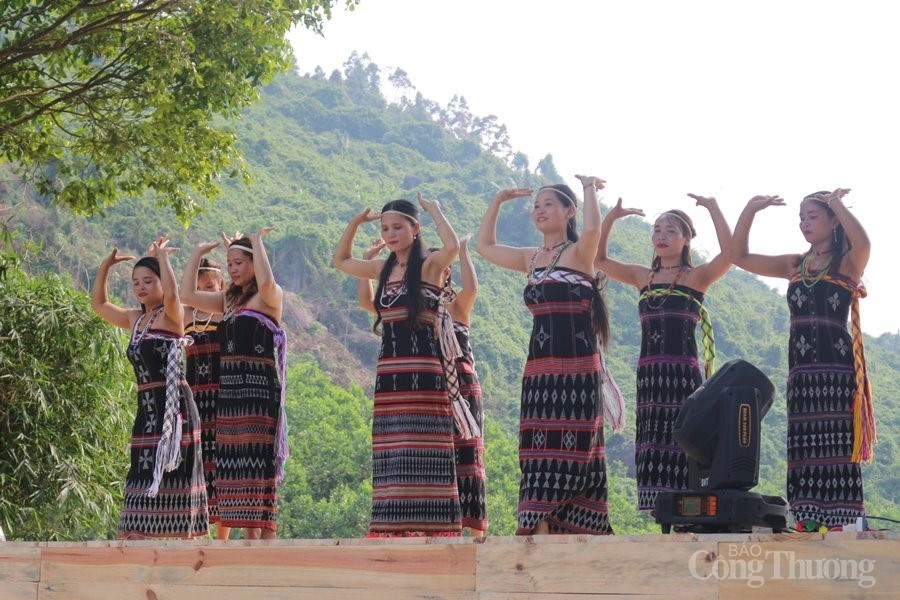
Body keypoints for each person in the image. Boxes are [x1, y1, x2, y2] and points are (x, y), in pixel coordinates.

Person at [476, 176, 613, 535]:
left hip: (578, 369)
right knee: (537, 450)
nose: (540, 210)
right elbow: (485, 246)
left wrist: (587, 189)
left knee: (577, 448)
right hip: (539, 371)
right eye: (536, 205)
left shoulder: (579, 253)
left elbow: (594, 228)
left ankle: (575, 527)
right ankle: (537, 527)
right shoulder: (530, 258)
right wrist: (497, 201)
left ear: (568, 211)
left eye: (548, 204)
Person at [732, 189, 874, 530]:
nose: (804, 223)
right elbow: (738, 255)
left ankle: (844, 521)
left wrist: (838, 203)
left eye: (812, 216)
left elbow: (863, 242)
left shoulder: (847, 263)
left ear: (833, 221)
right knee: (804, 446)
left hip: (837, 374)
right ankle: (807, 518)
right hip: (802, 374)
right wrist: (750, 210)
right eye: (801, 217)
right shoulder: (795, 264)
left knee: (837, 445)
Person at [333, 193, 463, 537]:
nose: (390, 234)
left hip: (424, 373)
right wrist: (354, 224)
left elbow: (453, 247)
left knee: (425, 448)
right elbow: (341, 260)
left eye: (397, 227)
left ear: (414, 229)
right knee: (393, 450)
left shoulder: (431, 265)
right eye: (385, 228)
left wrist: (435, 209)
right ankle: (394, 529)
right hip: (390, 375)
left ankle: (434, 531)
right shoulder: (382, 268)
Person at [593, 195, 732, 514]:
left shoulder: (696, 278)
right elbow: (599, 260)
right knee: (653, 440)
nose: (661, 236)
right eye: (657, 230)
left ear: (685, 239)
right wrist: (611, 218)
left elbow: (729, 254)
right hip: (649, 375)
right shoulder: (644, 277)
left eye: (670, 230)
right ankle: (662, 511)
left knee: (684, 439)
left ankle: (691, 510)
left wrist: (713, 208)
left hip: (683, 374)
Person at [356, 234, 489, 536]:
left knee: (466, 457)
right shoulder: (414, 303)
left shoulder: (456, 304)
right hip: (430, 383)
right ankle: (422, 530)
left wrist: (464, 250)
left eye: (441, 267)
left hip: (461, 386)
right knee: (432, 456)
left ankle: (478, 537)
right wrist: (365, 263)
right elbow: (368, 302)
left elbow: (472, 288)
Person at [91, 236, 208, 539]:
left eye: (148, 281)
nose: (141, 287)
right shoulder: (134, 319)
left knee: (175, 483)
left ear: (159, 282)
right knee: (139, 491)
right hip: (147, 415)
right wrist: (106, 266)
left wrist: (165, 259)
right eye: (135, 283)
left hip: (175, 411)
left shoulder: (172, 315)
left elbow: (172, 293)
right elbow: (99, 304)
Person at [181, 227, 286, 540]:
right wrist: (197, 254)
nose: (233, 268)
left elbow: (266, 280)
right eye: (230, 264)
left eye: (239, 262)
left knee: (256, 472)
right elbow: (187, 295)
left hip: (258, 395)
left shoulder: (269, 296)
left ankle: (261, 548)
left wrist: (256, 242)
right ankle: (242, 548)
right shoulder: (228, 300)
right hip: (230, 397)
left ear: (255, 263)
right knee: (234, 472)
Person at [182, 257, 227, 537]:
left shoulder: (228, 311)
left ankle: (223, 543)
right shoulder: (185, 315)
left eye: (210, 285)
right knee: (195, 466)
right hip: (193, 401)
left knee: (222, 467)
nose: (204, 291)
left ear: (221, 285)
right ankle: (198, 538)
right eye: (199, 286)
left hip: (223, 398)